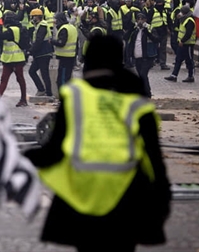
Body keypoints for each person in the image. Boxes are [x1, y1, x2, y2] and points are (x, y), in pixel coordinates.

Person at [25, 35, 170, 252]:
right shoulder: (137, 102)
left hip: (83, 194)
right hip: (127, 197)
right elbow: (153, 157)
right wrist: (162, 197)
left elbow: (54, 151)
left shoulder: (74, 95)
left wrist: (24, 158)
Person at [0, 11, 28, 107]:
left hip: (16, 59)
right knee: (4, 79)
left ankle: (23, 99)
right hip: (9, 59)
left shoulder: (13, 29)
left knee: (19, 79)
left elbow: (0, 36)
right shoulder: (14, 28)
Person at [128, 13, 159, 97]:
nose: (140, 21)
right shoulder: (135, 29)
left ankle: (146, 93)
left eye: (142, 19)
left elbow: (156, 39)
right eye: (138, 19)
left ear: (145, 20)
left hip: (148, 56)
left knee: (143, 74)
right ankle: (145, 91)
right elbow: (127, 38)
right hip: (137, 56)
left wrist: (146, 30)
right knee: (140, 75)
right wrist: (131, 29)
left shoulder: (150, 28)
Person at [165, 5, 196, 83]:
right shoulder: (183, 19)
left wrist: (182, 40)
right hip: (182, 43)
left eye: (181, 12)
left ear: (185, 12)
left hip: (188, 44)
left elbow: (188, 33)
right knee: (178, 59)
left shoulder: (189, 20)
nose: (180, 13)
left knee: (189, 60)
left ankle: (191, 76)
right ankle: (174, 75)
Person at [28, 9, 53, 97]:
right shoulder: (38, 25)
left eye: (33, 16)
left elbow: (39, 40)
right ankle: (42, 90)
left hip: (43, 53)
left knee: (44, 73)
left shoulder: (42, 26)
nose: (32, 18)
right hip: (40, 53)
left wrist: (31, 51)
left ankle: (48, 93)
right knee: (32, 71)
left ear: (37, 17)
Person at [51, 12, 78, 88]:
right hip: (71, 56)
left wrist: (52, 41)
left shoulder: (64, 29)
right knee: (67, 78)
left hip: (64, 57)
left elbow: (61, 43)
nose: (54, 22)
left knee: (62, 79)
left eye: (55, 19)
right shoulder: (72, 27)